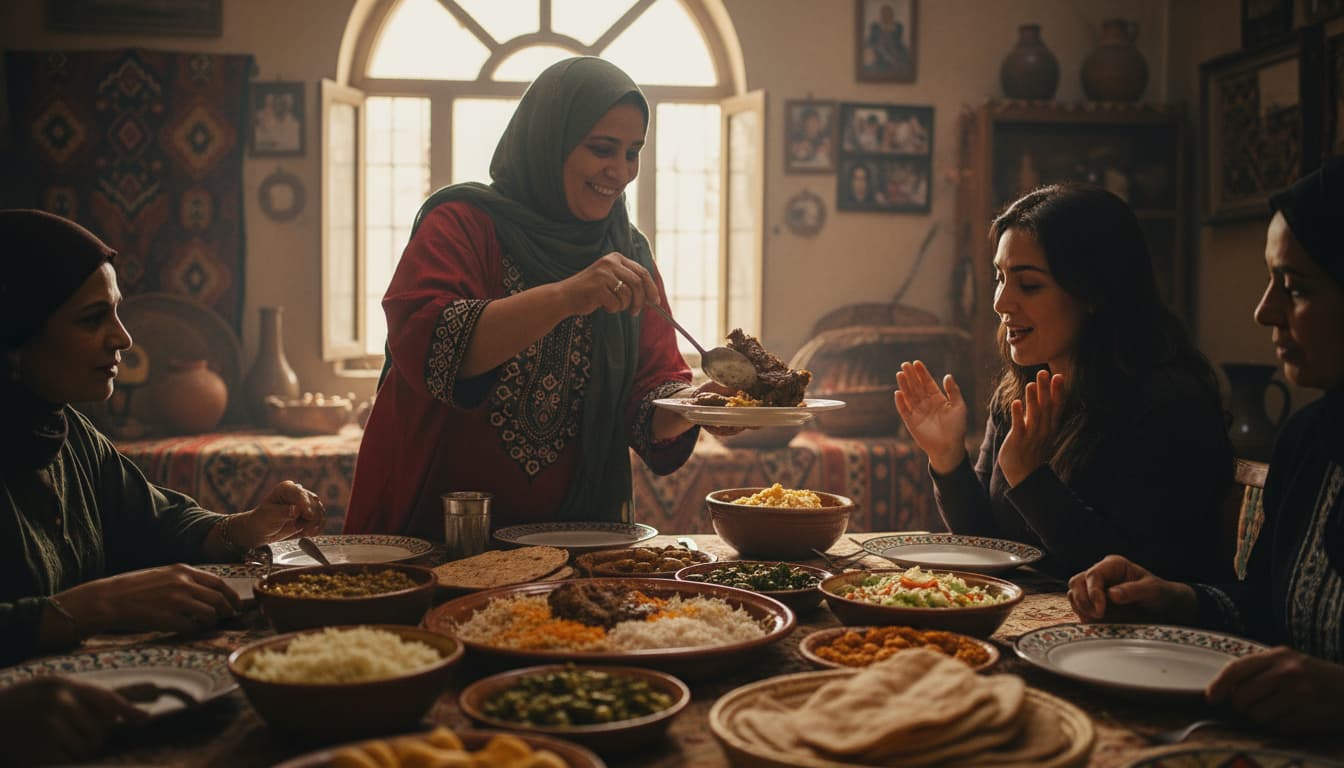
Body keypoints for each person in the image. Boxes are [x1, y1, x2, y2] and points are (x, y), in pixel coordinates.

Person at [343, 57, 721, 540]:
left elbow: (649, 396)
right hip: (440, 530)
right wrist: (567, 295)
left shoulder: (626, 250)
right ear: (549, 142)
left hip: (575, 536)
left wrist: (702, 405)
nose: (621, 171)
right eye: (602, 149)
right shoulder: (463, 222)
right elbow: (430, 344)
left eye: (633, 152)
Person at [0, 209, 325, 763]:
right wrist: (86, 608)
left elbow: (155, 521)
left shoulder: (63, 429)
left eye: (118, 313)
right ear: (15, 338)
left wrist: (241, 526)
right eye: (92, 319)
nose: (123, 338)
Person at [1067, 159, 1344, 736]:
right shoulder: (1310, 441)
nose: (1263, 311)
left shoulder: (1164, 400)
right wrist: (1177, 600)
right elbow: (1266, 607)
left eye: (1294, 288)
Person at [894, 185, 1232, 581]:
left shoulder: (1167, 404)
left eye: (1029, 284)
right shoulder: (1021, 390)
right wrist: (948, 458)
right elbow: (987, 546)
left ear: (1093, 291)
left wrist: (1031, 479)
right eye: (1000, 278)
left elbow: (1130, 576)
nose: (1001, 303)